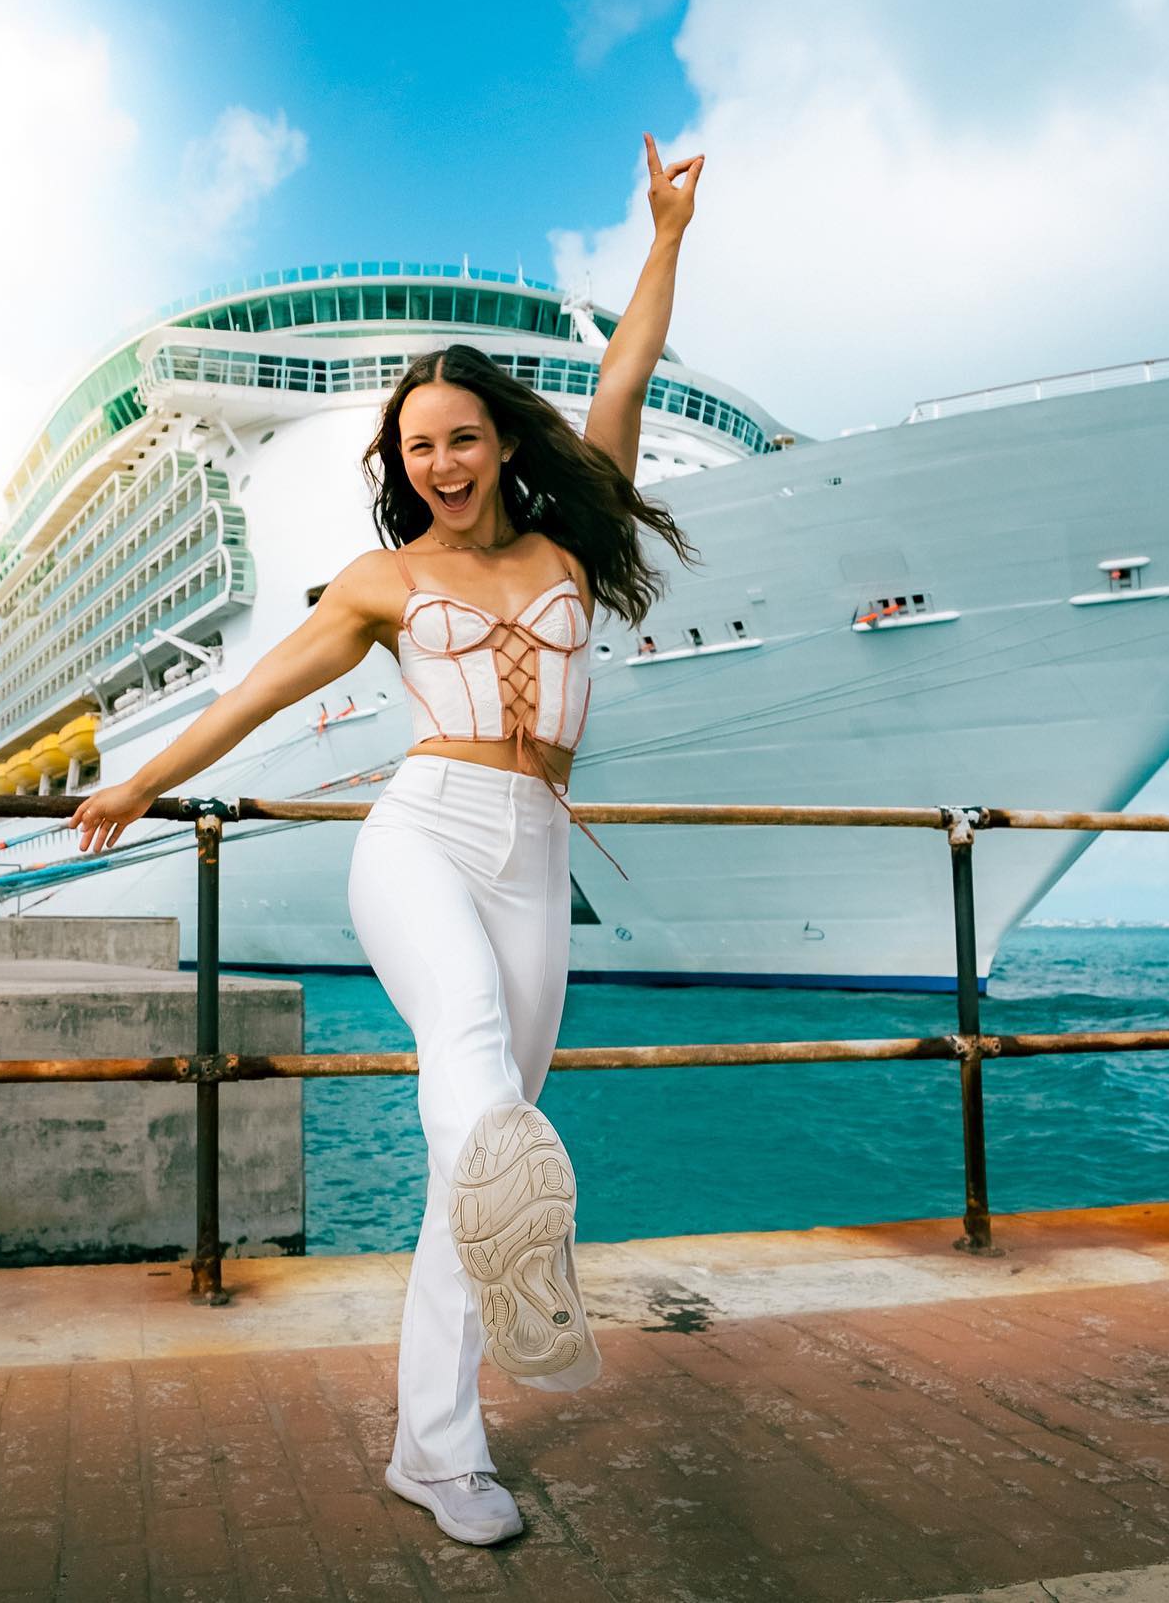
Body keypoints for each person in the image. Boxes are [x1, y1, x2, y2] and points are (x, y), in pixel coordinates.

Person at [69, 132, 704, 1546]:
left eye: (462, 439)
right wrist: (136, 785)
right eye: (417, 450)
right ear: (399, 465)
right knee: (476, 1076)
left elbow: (627, 378)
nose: (442, 465)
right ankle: (526, 1228)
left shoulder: (573, 543)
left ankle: (439, 1449)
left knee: (467, 1176)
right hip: (419, 833)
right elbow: (250, 694)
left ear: (501, 441)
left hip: (536, 849)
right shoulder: (380, 577)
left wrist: (663, 238)